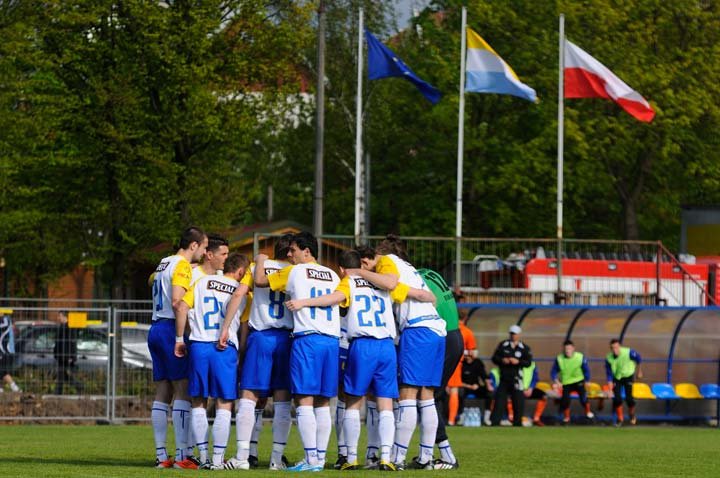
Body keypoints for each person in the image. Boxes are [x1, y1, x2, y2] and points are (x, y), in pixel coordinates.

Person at [287, 249, 435, 471]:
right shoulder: (385, 285)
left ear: (342, 269)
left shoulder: (350, 282)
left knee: (353, 401)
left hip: (363, 345)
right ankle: (386, 457)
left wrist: (304, 302)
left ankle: (352, 457)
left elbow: (334, 299)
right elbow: (425, 296)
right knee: (385, 403)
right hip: (386, 346)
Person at [347, 235, 447, 470]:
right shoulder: (409, 268)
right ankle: (424, 457)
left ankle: (398, 458)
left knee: (407, 394)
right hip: (435, 330)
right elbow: (428, 296)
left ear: (367, 259)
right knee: (427, 396)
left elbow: (390, 283)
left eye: (364, 266)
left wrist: (358, 273)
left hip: (418, 329)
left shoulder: (386, 261)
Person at [254, 231, 340, 472]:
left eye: (293, 250)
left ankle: (310, 459)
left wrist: (260, 259)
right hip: (331, 341)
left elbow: (260, 281)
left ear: (307, 251)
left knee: (304, 400)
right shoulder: (332, 274)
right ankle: (319, 459)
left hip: (308, 340)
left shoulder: (295, 272)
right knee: (323, 402)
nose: (289, 255)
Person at [219, 233, 295, 471]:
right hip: (286, 338)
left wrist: (225, 328)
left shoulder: (257, 266)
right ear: (291, 252)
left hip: (260, 337)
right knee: (282, 401)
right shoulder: (296, 271)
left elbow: (240, 294)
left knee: (249, 398)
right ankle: (276, 459)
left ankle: (242, 456)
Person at [173, 252, 249, 469]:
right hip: (224, 347)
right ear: (241, 272)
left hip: (199, 345)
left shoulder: (201, 282)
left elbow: (181, 307)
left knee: (198, 401)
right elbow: (244, 324)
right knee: (224, 403)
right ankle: (217, 459)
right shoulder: (242, 292)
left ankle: (204, 456)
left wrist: (181, 338)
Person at [148, 226, 207, 469]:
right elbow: (176, 301)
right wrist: (184, 335)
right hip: (171, 328)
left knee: (163, 390)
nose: (204, 253)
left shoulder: (163, 262)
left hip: (155, 327)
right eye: (203, 247)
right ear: (193, 245)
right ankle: (184, 455)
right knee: (183, 389)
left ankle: (162, 455)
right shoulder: (182, 265)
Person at [417, 268, 463, 470]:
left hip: (444, 337)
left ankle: (446, 454)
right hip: (453, 335)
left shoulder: (414, 278)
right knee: (428, 396)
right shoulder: (429, 273)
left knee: (426, 396)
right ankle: (425, 454)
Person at [490, 324, 532, 427]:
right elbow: (494, 358)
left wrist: (518, 361)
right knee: (499, 401)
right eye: (512, 334)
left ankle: (517, 424)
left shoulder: (524, 348)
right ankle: (495, 423)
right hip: (504, 378)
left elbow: (528, 363)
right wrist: (502, 360)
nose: (513, 336)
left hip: (517, 379)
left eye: (515, 334)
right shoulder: (503, 345)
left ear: (519, 335)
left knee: (518, 403)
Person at [551, 340, 593, 424]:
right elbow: (553, 371)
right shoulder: (559, 358)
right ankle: (566, 418)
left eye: (569, 348)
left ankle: (588, 413)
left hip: (579, 381)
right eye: (566, 349)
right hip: (566, 383)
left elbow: (586, 370)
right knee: (565, 400)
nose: (567, 351)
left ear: (573, 349)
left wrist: (587, 380)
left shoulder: (580, 357)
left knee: (583, 398)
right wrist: (556, 381)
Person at [445, 313, 476, 426]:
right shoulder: (467, 332)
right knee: (454, 391)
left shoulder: (445, 326)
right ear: (466, 318)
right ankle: (451, 419)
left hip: (440, 360)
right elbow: (472, 353)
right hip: (456, 363)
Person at [606, 339, 642, 426]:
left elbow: (638, 358)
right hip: (617, 378)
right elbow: (609, 372)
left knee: (629, 399)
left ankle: (631, 414)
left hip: (628, 376)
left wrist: (639, 371)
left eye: (617, 347)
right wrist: (610, 385)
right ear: (611, 349)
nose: (615, 350)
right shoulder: (608, 358)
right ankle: (620, 419)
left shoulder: (628, 352)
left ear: (620, 347)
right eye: (613, 348)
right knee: (617, 399)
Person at [53, 310, 83, 395]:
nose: (58, 318)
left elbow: (72, 342)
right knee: (63, 375)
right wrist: (56, 352)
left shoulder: (70, 327)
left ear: (64, 316)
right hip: (60, 355)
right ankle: (78, 385)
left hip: (66, 355)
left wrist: (71, 356)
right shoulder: (61, 326)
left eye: (59, 316)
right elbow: (58, 341)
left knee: (61, 374)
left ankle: (58, 392)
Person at [457, 349, 488, 423]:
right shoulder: (461, 364)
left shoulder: (478, 363)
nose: (468, 358)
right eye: (466, 356)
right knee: (460, 393)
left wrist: (488, 384)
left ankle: (487, 415)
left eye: (470, 356)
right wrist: (469, 386)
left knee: (488, 393)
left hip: (475, 386)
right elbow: (458, 381)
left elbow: (484, 376)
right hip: (464, 387)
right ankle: (461, 415)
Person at [521, 361, 548, 426]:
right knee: (511, 397)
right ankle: (511, 417)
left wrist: (531, 388)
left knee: (544, 396)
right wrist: (522, 389)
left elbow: (535, 378)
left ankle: (536, 419)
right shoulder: (516, 362)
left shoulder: (532, 364)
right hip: (518, 389)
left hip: (529, 389)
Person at [0, 310, 21, 393]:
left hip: (5, 351)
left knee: (2, 371)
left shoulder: (5, 320)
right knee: (2, 370)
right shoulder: (6, 320)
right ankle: (13, 387)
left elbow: (4, 326)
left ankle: (14, 387)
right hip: (5, 350)